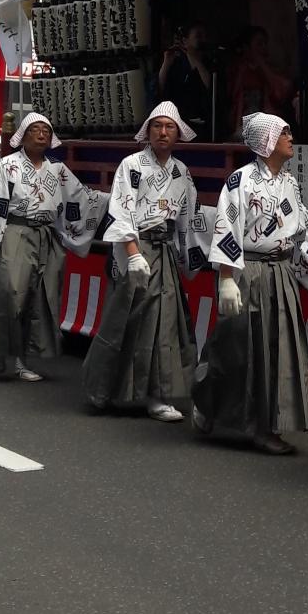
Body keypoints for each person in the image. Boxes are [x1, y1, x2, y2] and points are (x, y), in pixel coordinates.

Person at [193, 113, 308, 453]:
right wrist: (226, 279)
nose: (290, 137)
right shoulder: (240, 182)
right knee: (236, 347)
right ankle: (208, 401)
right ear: (267, 140)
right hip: (248, 270)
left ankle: (265, 426)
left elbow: (299, 220)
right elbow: (226, 227)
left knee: (276, 348)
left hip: (280, 272)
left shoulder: (289, 181)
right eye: (284, 132)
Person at [82, 102, 205, 420]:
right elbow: (121, 210)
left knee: (163, 324)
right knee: (126, 320)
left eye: (169, 127)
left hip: (164, 252)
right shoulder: (132, 165)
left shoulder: (181, 172)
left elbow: (190, 219)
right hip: (136, 247)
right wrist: (133, 254)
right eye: (157, 126)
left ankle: (157, 394)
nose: (163, 132)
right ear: (148, 131)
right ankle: (103, 388)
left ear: (178, 134)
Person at [0, 113, 104, 382]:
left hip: (47, 235)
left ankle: (23, 359)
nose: (41, 134)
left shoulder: (57, 169)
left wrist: (113, 198)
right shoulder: (8, 165)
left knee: (38, 298)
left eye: (46, 131)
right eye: (35, 130)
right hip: (16, 230)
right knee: (11, 292)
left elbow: (82, 197)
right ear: (22, 135)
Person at [226, 26, 295, 127]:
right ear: (246, 47)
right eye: (259, 44)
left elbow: (282, 92)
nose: (264, 48)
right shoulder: (236, 70)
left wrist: (262, 64)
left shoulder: (271, 70)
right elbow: (231, 96)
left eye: (265, 44)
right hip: (241, 127)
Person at [158, 22, 213, 139]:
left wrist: (195, 59)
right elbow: (162, 88)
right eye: (198, 36)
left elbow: (210, 86)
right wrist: (166, 63)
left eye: (204, 36)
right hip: (180, 123)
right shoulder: (178, 63)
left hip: (204, 123)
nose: (203, 40)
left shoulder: (209, 61)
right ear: (185, 41)